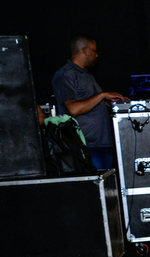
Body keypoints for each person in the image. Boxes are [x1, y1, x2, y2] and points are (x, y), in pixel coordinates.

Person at [51, 35, 126, 170]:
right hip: (86, 145)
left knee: (108, 180)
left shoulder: (86, 74)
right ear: (85, 51)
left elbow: (89, 102)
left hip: (102, 142)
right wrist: (102, 95)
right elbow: (73, 109)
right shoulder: (65, 75)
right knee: (96, 181)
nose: (97, 55)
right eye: (94, 50)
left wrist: (108, 103)